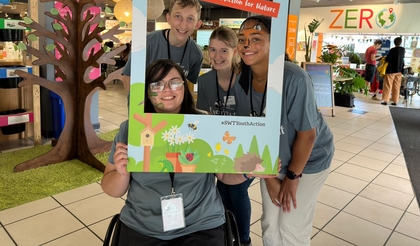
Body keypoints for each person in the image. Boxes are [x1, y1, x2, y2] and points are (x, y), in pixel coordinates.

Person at [102, 59, 270, 245]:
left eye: (174, 82)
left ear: (184, 87)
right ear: (147, 92)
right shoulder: (131, 129)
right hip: (142, 225)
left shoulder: (204, 123)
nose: (167, 89)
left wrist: (247, 172)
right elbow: (111, 189)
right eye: (157, 84)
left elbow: (224, 174)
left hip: (202, 224)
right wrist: (121, 172)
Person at [233, 15, 334, 246]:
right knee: (270, 224)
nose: (246, 45)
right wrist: (268, 177)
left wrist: (292, 177)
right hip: (272, 160)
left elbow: (308, 135)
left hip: (308, 161)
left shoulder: (294, 78)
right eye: (242, 39)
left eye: (256, 38)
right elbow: (251, 133)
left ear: (274, 43)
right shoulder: (242, 80)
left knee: (291, 226)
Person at [196, 26, 253, 246]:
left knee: (237, 191)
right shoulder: (204, 81)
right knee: (221, 191)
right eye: (212, 50)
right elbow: (203, 119)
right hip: (218, 148)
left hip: (243, 148)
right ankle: (228, 235)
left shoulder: (247, 80)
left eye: (223, 51)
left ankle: (244, 240)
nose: (217, 56)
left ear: (235, 52)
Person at [121, 0, 203, 94]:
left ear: (197, 24)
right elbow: (128, 77)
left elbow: (188, 86)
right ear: (169, 18)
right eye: (178, 16)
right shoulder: (146, 43)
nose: (183, 25)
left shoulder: (196, 53)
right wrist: (136, 107)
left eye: (190, 19)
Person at [381, 37, 405, 106]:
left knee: (388, 85)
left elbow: (387, 59)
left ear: (394, 43)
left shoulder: (393, 50)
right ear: (400, 42)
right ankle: (395, 101)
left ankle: (385, 100)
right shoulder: (403, 50)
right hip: (399, 70)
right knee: (396, 86)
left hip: (391, 70)